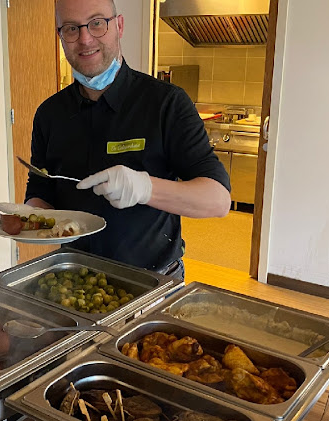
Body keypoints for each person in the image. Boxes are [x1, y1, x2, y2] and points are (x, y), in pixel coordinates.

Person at [25, 0, 231, 280]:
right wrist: (29, 219)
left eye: (97, 23)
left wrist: (145, 188)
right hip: (72, 282)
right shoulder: (49, 114)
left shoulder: (166, 103)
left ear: (119, 26)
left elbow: (217, 200)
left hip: (153, 283)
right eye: (72, 28)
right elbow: (40, 191)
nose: (85, 39)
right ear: (60, 36)